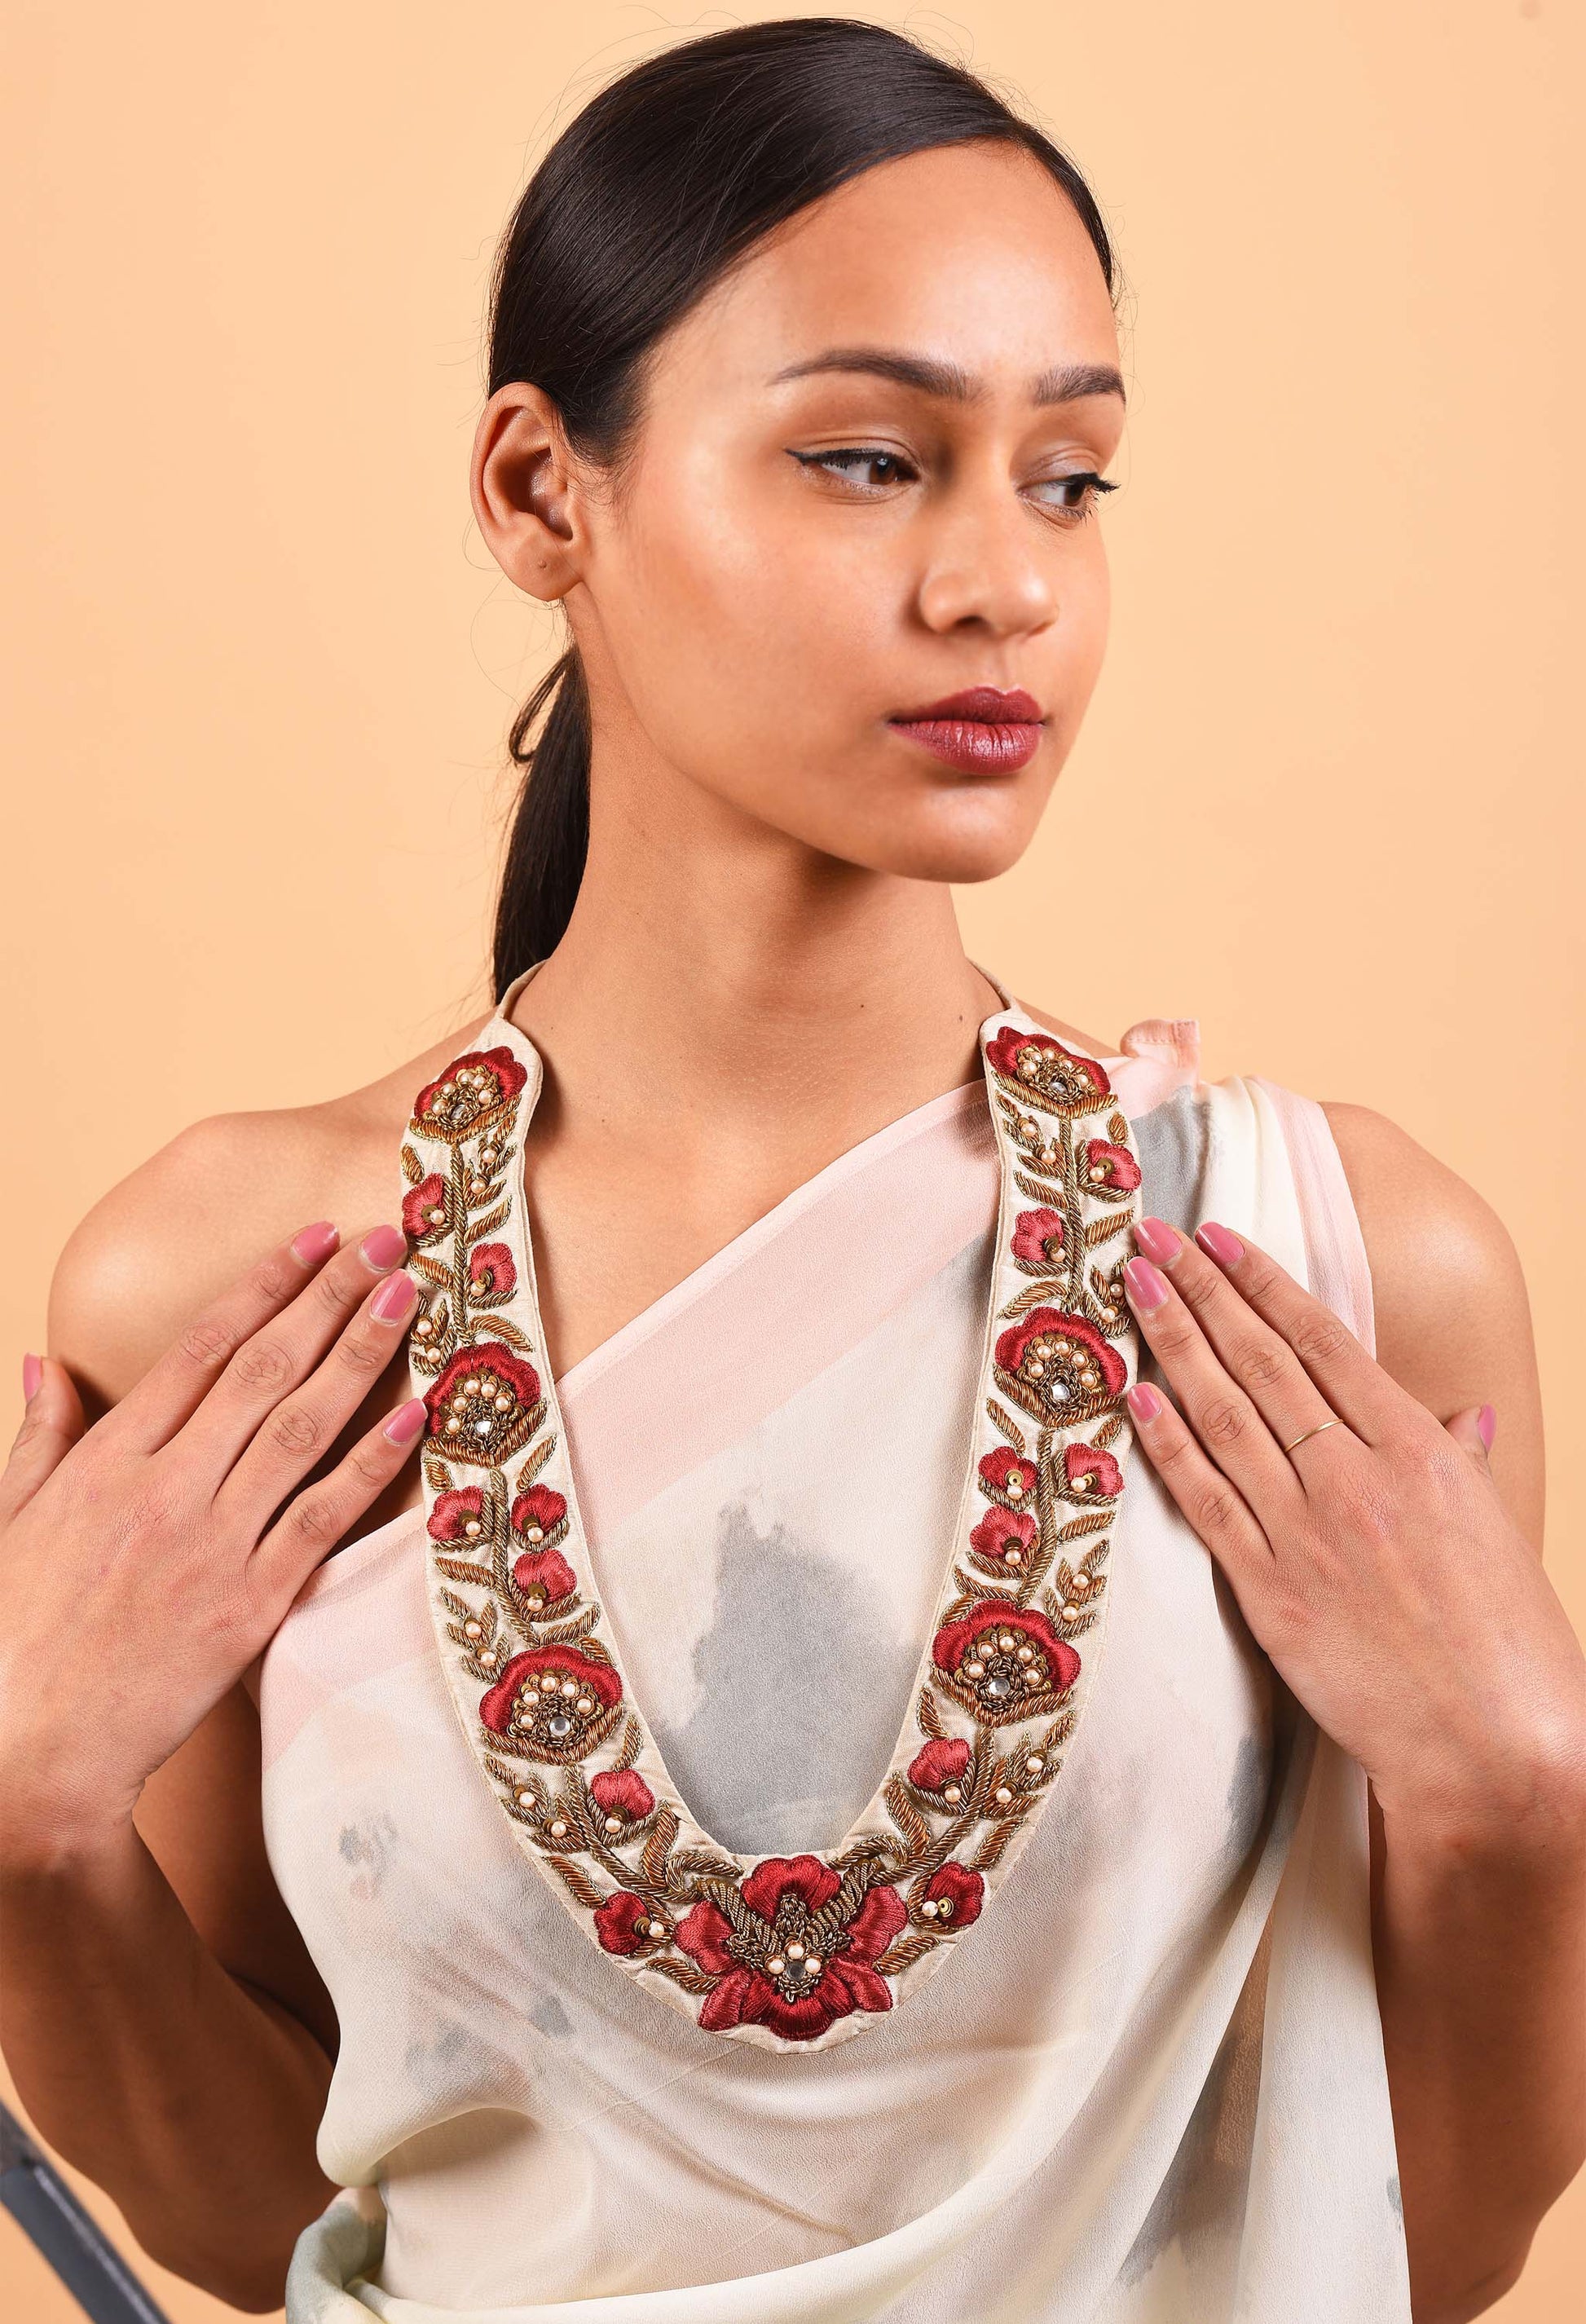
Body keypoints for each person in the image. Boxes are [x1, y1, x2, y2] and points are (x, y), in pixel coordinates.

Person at [2, 19, 1582, 2322]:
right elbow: (273, 2218)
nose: (999, 585)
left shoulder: (1331, 1271)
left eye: (1069, 478)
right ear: (545, 494)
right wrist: (23, 1821)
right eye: (867, 459)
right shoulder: (249, 1293)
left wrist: (1518, 1797)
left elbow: (1418, 2254)